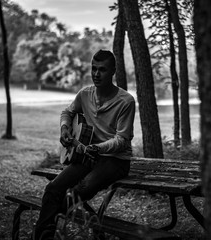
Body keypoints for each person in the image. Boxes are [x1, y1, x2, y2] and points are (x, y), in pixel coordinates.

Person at [34, 49, 136, 240]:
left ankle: (55, 230)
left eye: (102, 70)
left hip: (115, 160)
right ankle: (42, 237)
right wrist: (64, 128)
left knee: (78, 191)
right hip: (88, 156)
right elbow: (67, 112)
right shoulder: (85, 94)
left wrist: (98, 148)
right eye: (94, 69)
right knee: (53, 189)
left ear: (113, 71)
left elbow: (122, 140)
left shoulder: (126, 101)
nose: (96, 74)